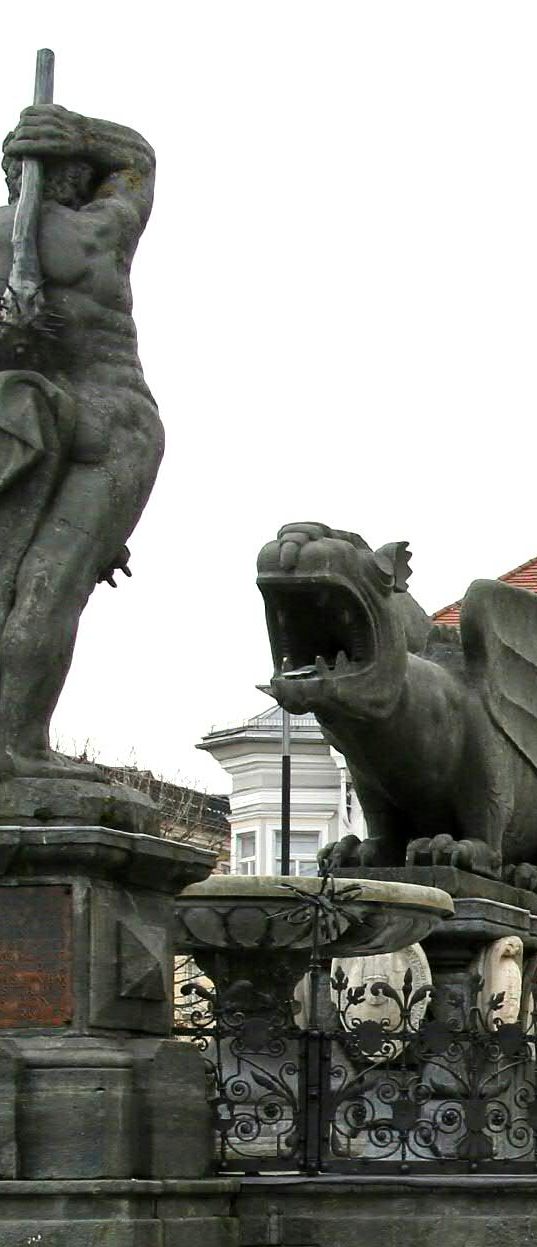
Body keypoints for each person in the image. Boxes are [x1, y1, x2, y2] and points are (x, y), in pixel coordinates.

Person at [0, 98, 163, 774]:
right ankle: (16, 745)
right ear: (75, 178)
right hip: (114, 418)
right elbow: (139, 162)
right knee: (50, 586)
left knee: (11, 583)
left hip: (25, 415)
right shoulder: (103, 232)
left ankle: (11, 745)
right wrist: (88, 134)